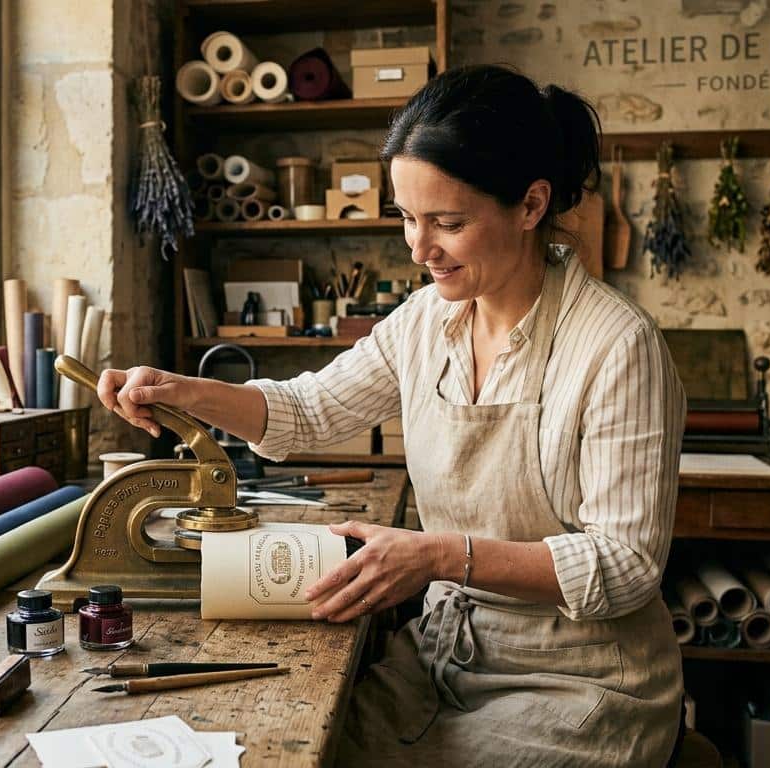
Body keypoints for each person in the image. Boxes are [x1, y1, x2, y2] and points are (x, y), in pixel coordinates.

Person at [94, 64, 686, 766]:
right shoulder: (425, 320)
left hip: (582, 682)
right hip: (443, 655)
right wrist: (185, 392)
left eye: (448, 223)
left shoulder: (617, 345)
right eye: (407, 217)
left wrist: (438, 555)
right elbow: (308, 412)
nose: (418, 247)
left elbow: (624, 565)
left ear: (531, 205)